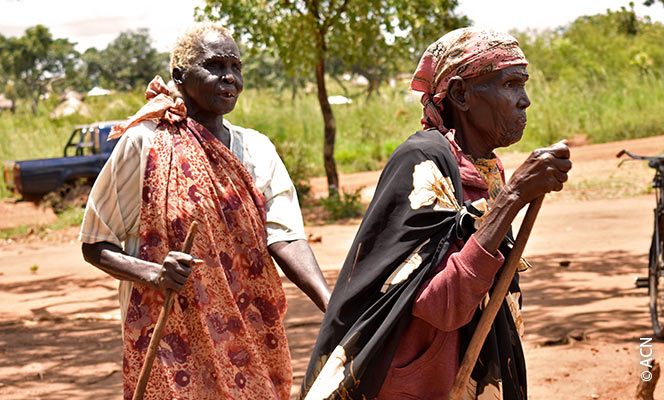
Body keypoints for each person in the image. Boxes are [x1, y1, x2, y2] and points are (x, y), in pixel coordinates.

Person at [300, 28, 571, 400]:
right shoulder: (422, 162)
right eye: (509, 84)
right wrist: (511, 199)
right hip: (414, 384)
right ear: (460, 94)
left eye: (524, 85)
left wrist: (510, 193)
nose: (524, 101)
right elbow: (440, 306)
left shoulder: (486, 170)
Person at [80, 22, 330, 400]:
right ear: (180, 77)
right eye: (215, 66)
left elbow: (285, 236)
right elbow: (94, 243)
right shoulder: (144, 144)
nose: (229, 78)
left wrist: (331, 304)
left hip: (248, 334)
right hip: (170, 340)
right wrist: (153, 273)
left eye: (236, 67)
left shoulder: (257, 150)